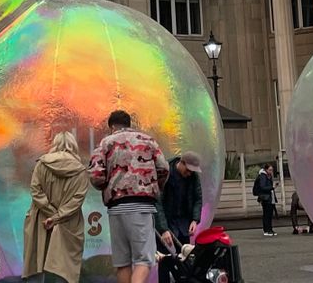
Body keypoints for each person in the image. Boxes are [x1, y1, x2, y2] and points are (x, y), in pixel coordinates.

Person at [89, 110, 169, 283]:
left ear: (112, 126)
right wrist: (154, 187)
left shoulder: (105, 143)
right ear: (129, 124)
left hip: (116, 208)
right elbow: (164, 168)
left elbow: (95, 175)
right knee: (144, 259)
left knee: (122, 262)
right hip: (141, 206)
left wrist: (107, 186)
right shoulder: (148, 141)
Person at [24, 131, 88, 283]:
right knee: (64, 269)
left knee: (38, 264)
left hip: (40, 219)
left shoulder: (42, 164)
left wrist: (50, 214)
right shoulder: (80, 170)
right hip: (68, 223)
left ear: (54, 144)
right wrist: (57, 216)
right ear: (74, 146)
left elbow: (35, 190)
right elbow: (77, 200)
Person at [159, 151, 203, 250]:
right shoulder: (166, 172)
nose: (189, 174)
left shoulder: (193, 177)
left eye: (191, 171)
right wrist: (163, 228)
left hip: (183, 224)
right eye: (188, 170)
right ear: (182, 163)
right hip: (168, 222)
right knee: (166, 257)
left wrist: (195, 220)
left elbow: (197, 198)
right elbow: (158, 202)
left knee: (184, 256)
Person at [252, 164, 276, 237]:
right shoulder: (263, 176)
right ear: (266, 170)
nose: (271, 171)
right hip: (265, 197)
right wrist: (272, 187)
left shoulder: (268, 176)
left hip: (269, 197)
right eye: (270, 170)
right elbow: (263, 187)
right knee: (266, 214)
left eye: (272, 170)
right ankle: (266, 230)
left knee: (269, 214)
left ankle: (270, 229)